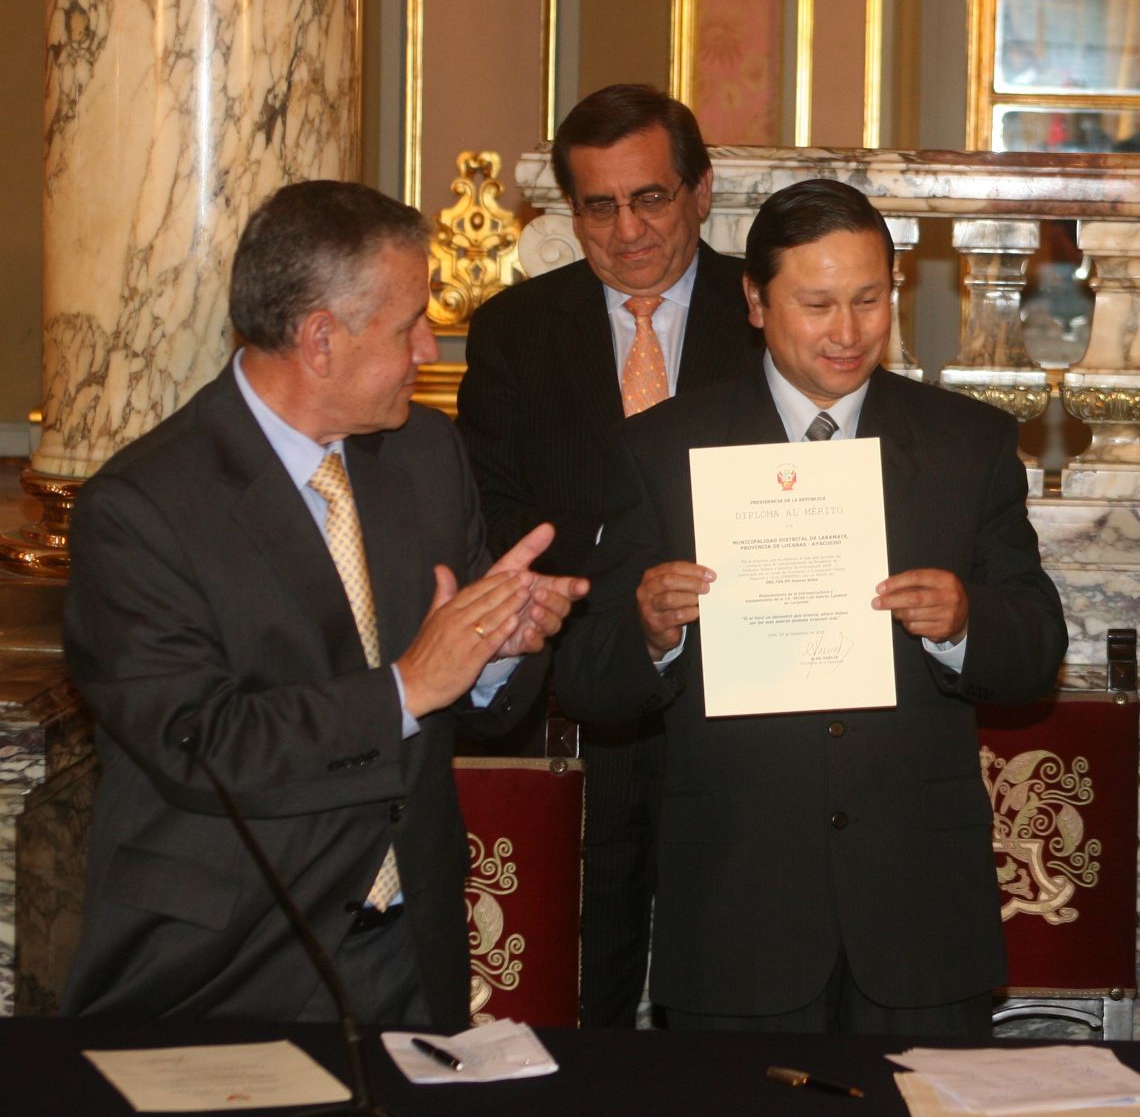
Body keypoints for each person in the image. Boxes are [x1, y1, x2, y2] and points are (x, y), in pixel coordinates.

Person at [60, 181, 587, 1028]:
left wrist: (503, 649)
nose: (431, 348)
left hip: (413, 953)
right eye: (409, 323)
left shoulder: (422, 453)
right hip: (228, 959)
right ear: (319, 339)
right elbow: (206, 746)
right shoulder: (143, 509)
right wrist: (409, 687)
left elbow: (475, 689)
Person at [553, 178, 1068, 1034]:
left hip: (919, 912)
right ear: (754, 300)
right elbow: (585, 683)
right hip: (737, 911)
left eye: (869, 300)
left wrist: (967, 621)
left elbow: (1036, 652)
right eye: (818, 303)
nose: (848, 331)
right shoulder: (665, 448)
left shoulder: (964, 443)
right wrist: (648, 633)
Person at [458, 84, 763, 1027]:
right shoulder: (515, 331)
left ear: (701, 191)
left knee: (729, 973)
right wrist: (617, 576)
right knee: (582, 968)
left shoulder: (766, 316)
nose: (627, 230)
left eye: (651, 198)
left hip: (736, 689)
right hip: (580, 690)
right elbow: (494, 512)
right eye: (599, 205)